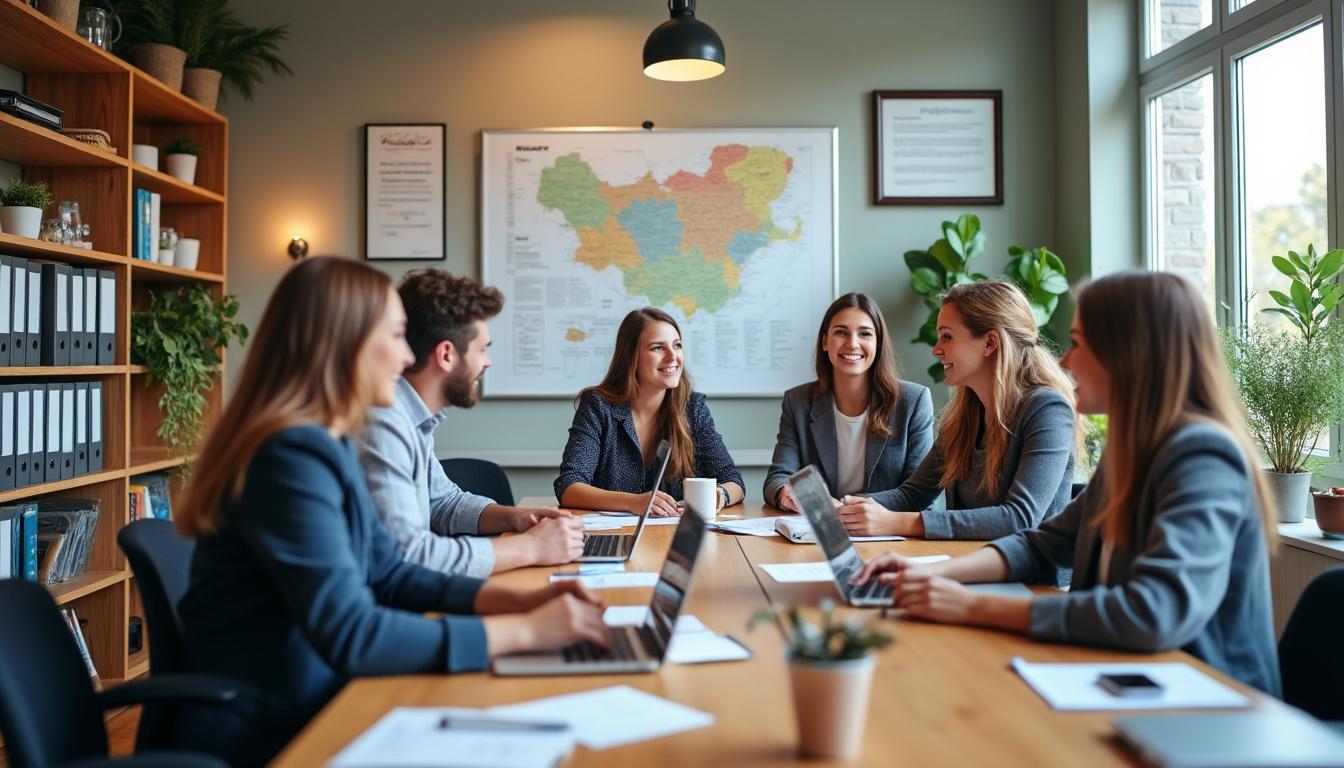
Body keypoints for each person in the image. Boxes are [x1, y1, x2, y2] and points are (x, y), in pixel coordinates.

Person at [174, 258, 610, 767]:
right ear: (348, 344)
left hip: (315, 696)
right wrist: (528, 633)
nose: (406, 355)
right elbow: (353, 633)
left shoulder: (325, 444)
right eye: (397, 335)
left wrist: (515, 606)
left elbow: (392, 573)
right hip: (266, 728)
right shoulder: (287, 457)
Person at [855, 271, 1281, 695]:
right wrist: (934, 575)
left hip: (1210, 697)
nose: (1064, 362)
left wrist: (970, 605)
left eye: (1078, 343)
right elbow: (1042, 542)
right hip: (1138, 677)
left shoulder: (1204, 456)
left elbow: (1154, 613)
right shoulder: (1134, 449)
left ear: (1127, 352)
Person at [359, 269, 583, 577]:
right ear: (446, 354)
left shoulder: (415, 419)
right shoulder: (384, 422)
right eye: (483, 349)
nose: (487, 362)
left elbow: (443, 502)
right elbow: (409, 554)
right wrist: (531, 547)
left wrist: (517, 517)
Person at [837, 281, 1081, 539]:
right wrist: (842, 508)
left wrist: (896, 523)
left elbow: (1018, 518)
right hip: (969, 566)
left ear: (989, 343)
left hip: (1031, 577)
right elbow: (913, 494)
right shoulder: (965, 417)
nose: (936, 349)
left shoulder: (1048, 410)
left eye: (947, 336)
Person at [555, 307, 744, 516]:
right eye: (657, 348)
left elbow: (733, 480)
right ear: (631, 357)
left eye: (677, 345)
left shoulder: (692, 408)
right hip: (615, 536)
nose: (673, 357)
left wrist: (720, 495)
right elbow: (569, 486)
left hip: (676, 539)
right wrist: (634, 502)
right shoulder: (598, 406)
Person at [763, 292, 934, 510]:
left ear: (878, 343)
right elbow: (777, 478)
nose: (852, 344)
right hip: (822, 534)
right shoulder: (797, 402)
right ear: (825, 342)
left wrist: (848, 506)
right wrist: (785, 493)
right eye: (841, 332)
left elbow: (920, 494)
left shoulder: (913, 401)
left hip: (890, 532)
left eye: (865, 334)